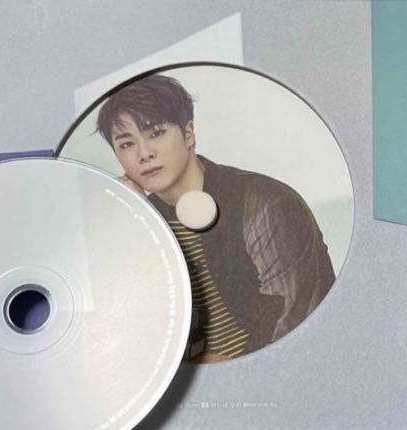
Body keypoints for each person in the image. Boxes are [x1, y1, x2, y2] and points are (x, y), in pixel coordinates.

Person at [95, 72, 336, 362]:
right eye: (126, 144)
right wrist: (135, 222)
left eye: (156, 133)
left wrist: (209, 369)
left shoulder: (266, 203)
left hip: (284, 373)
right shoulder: (146, 224)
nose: (144, 153)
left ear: (188, 133)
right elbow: (136, 334)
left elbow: (293, 329)